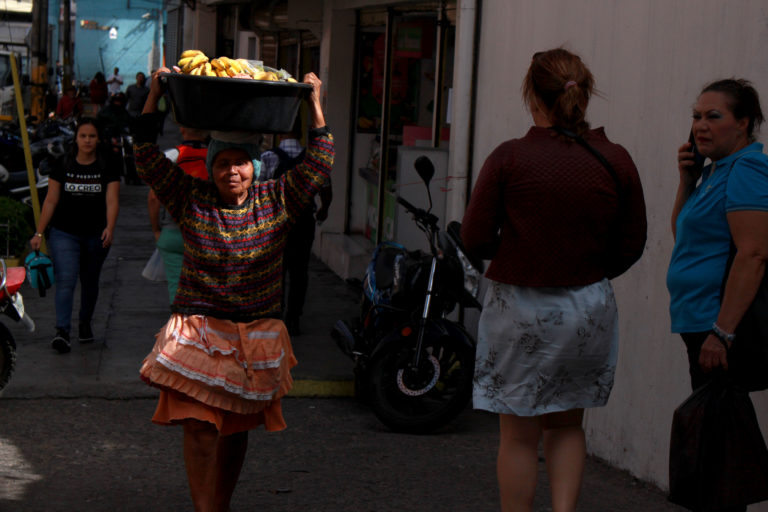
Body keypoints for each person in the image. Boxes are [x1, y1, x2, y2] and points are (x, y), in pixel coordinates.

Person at [135, 67, 333, 512]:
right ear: (211, 168)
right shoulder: (191, 199)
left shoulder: (277, 199)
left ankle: (219, 505)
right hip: (199, 332)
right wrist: (155, 96)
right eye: (222, 163)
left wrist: (313, 103)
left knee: (234, 431)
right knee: (199, 427)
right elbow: (145, 156)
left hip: (254, 336)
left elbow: (320, 161)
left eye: (240, 162)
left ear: (254, 166)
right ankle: (205, 507)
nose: (232, 171)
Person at [460, 48, 647, 512]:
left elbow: (475, 237)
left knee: (519, 434)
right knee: (566, 426)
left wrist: (519, 254)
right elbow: (632, 243)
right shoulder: (615, 158)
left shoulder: (510, 158)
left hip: (519, 309)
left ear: (531, 96)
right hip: (586, 308)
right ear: (583, 93)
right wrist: (585, 271)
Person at [667, 79, 768, 511]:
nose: (701, 126)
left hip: (718, 329)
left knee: (718, 459)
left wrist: (722, 332)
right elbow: (684, 237)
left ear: (744, 123)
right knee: (715, 456)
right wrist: (687, 181)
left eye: (714, 116)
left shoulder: (747, 169)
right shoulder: (712, 172)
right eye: (696, 116)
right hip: (698, 323)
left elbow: (754, 253)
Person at [29, 117, 121, 354]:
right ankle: (62, 331)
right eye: (83, 136)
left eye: (91, 136)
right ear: (76, 139)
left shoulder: (108, 165)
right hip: (64, 233)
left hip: (96, 234)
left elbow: (112, 200)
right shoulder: (62, 164)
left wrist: (110, 227)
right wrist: (39, 232)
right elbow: (50, 200)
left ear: (97, 139)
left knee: (90, 282)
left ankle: (85, 323)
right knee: (66, 280)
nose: (87, 140)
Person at [260, 120, 333, 335]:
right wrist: (323, 210)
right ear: (301, 134)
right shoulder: (313, 159)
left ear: (280, 134)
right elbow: (326, 190)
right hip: (303, 221)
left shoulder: (268, 158)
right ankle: (294, 317)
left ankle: (277, 314)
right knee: (300, 271)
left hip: (277, 223)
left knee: (277, 270)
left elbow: (260, 191)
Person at [147, 125, 209, 303]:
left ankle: (179, 328)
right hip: (205, 234)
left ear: (181, 129)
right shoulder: (215, 159)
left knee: (177, 290)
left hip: (173, 232)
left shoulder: (171, 156)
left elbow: (153, 198)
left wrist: (156, 229)